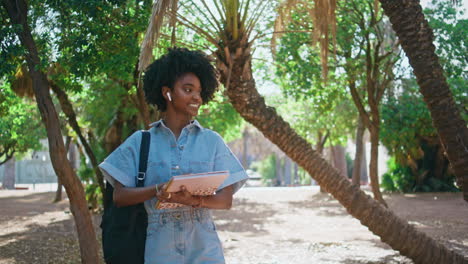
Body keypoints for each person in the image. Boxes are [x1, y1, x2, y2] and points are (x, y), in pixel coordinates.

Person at [98, 47, 248, 264]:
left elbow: (225, 201)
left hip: (204, 248)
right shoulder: (141, 141)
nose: (196, 97)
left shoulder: (211, 141)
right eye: (188, 90)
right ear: (167, 92)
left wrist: (195, 200)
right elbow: (120, 197)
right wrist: (159, 189)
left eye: (199, 91)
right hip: (159, 248)